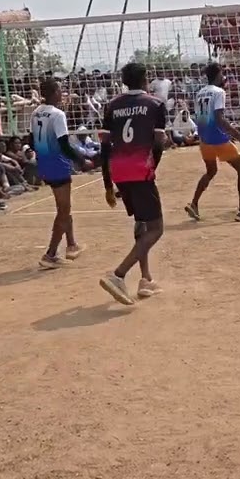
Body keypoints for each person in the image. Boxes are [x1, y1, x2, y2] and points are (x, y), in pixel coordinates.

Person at [97, 62, 169, 304]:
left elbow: (104, 148)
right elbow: (158, 144)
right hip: (140, 169)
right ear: (145, 79)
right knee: (156, 227)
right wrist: (150, 169)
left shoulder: (112, 105)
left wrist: (108, 185)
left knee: (142, 224)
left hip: (119, 170)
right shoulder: (155, 104)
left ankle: (146, 279)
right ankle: (118, 274)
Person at [185, 63, 240, 222]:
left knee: (211, 171)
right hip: (217, 137)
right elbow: (219, 119)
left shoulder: (199, 93)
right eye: (222, 74)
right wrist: (236, 133)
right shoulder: (219, 92)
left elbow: (200, 117)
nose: (224, 77)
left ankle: (194, 204)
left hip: (204, 138)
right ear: (218, 75)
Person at [30, 78, 90, 268]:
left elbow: (31, 141)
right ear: (54, 93)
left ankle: (71, 245)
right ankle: (50, 254)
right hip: (57, 164)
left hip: (44, 163)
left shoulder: (36, 113)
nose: (62, 93)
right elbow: (64, 145)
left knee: (64, 207)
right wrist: (82, 160)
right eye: (60, 90)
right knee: (63, 210)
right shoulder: (57, 115)